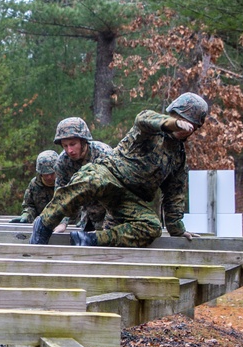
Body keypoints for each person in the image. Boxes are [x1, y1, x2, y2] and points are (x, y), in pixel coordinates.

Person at [29, 93, 209, 248]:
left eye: (191, 125)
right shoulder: (150, 132)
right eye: (184, 120)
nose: (186, 128)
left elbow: (174, 195)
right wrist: (172, 124)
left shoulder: (178, 157)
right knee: (90, 180)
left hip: (129, 198)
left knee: (151, 227)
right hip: (110, 174)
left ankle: (90, 239)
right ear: (174, 114)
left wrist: (177, 229)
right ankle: (44, 224)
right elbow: (143, 118)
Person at [51, 117, 113, 233]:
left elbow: (117, 194)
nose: (69, 150)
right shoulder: (63, 162)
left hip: (112, 216)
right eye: (65, 146)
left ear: (83, 141)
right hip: (88, 218)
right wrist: (62, 222)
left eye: (73, 144)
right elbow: (62, 195)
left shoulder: (104, 154)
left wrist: (107, 227)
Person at [10, 149, 58, 224]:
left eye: (52, 174)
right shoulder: (34, 184)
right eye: (45, 174)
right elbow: (29, 206)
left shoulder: (65, 182)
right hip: (42, 225)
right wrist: (27, 215)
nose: (49, 177)